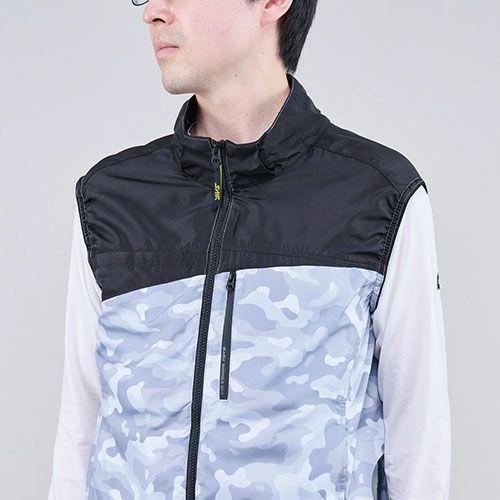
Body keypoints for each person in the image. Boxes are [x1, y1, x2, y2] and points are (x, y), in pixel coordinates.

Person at [47, 1, 451, 499]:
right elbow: (81, 423)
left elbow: (418, 435)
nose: (152, 11)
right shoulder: (110, 199)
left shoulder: (377, 197)